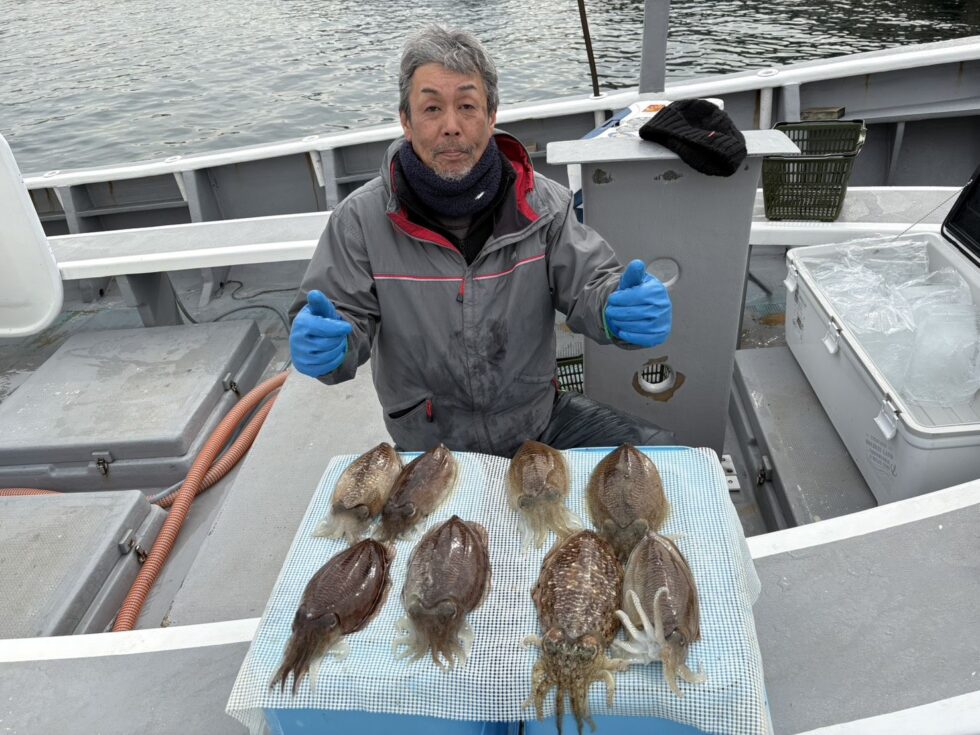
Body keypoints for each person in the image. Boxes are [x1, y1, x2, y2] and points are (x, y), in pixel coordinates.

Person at [289, 26, 673, 457]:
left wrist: (614, 309)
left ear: (491, 116)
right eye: (431, 107)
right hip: (430, 449)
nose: (451, 127)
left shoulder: (544, 205)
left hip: (539, 426)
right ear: (406, 120)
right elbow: (341, 319)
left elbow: (591, 285)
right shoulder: (359, 220)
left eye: (467, 106)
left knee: (661, 461)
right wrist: (331, 346)